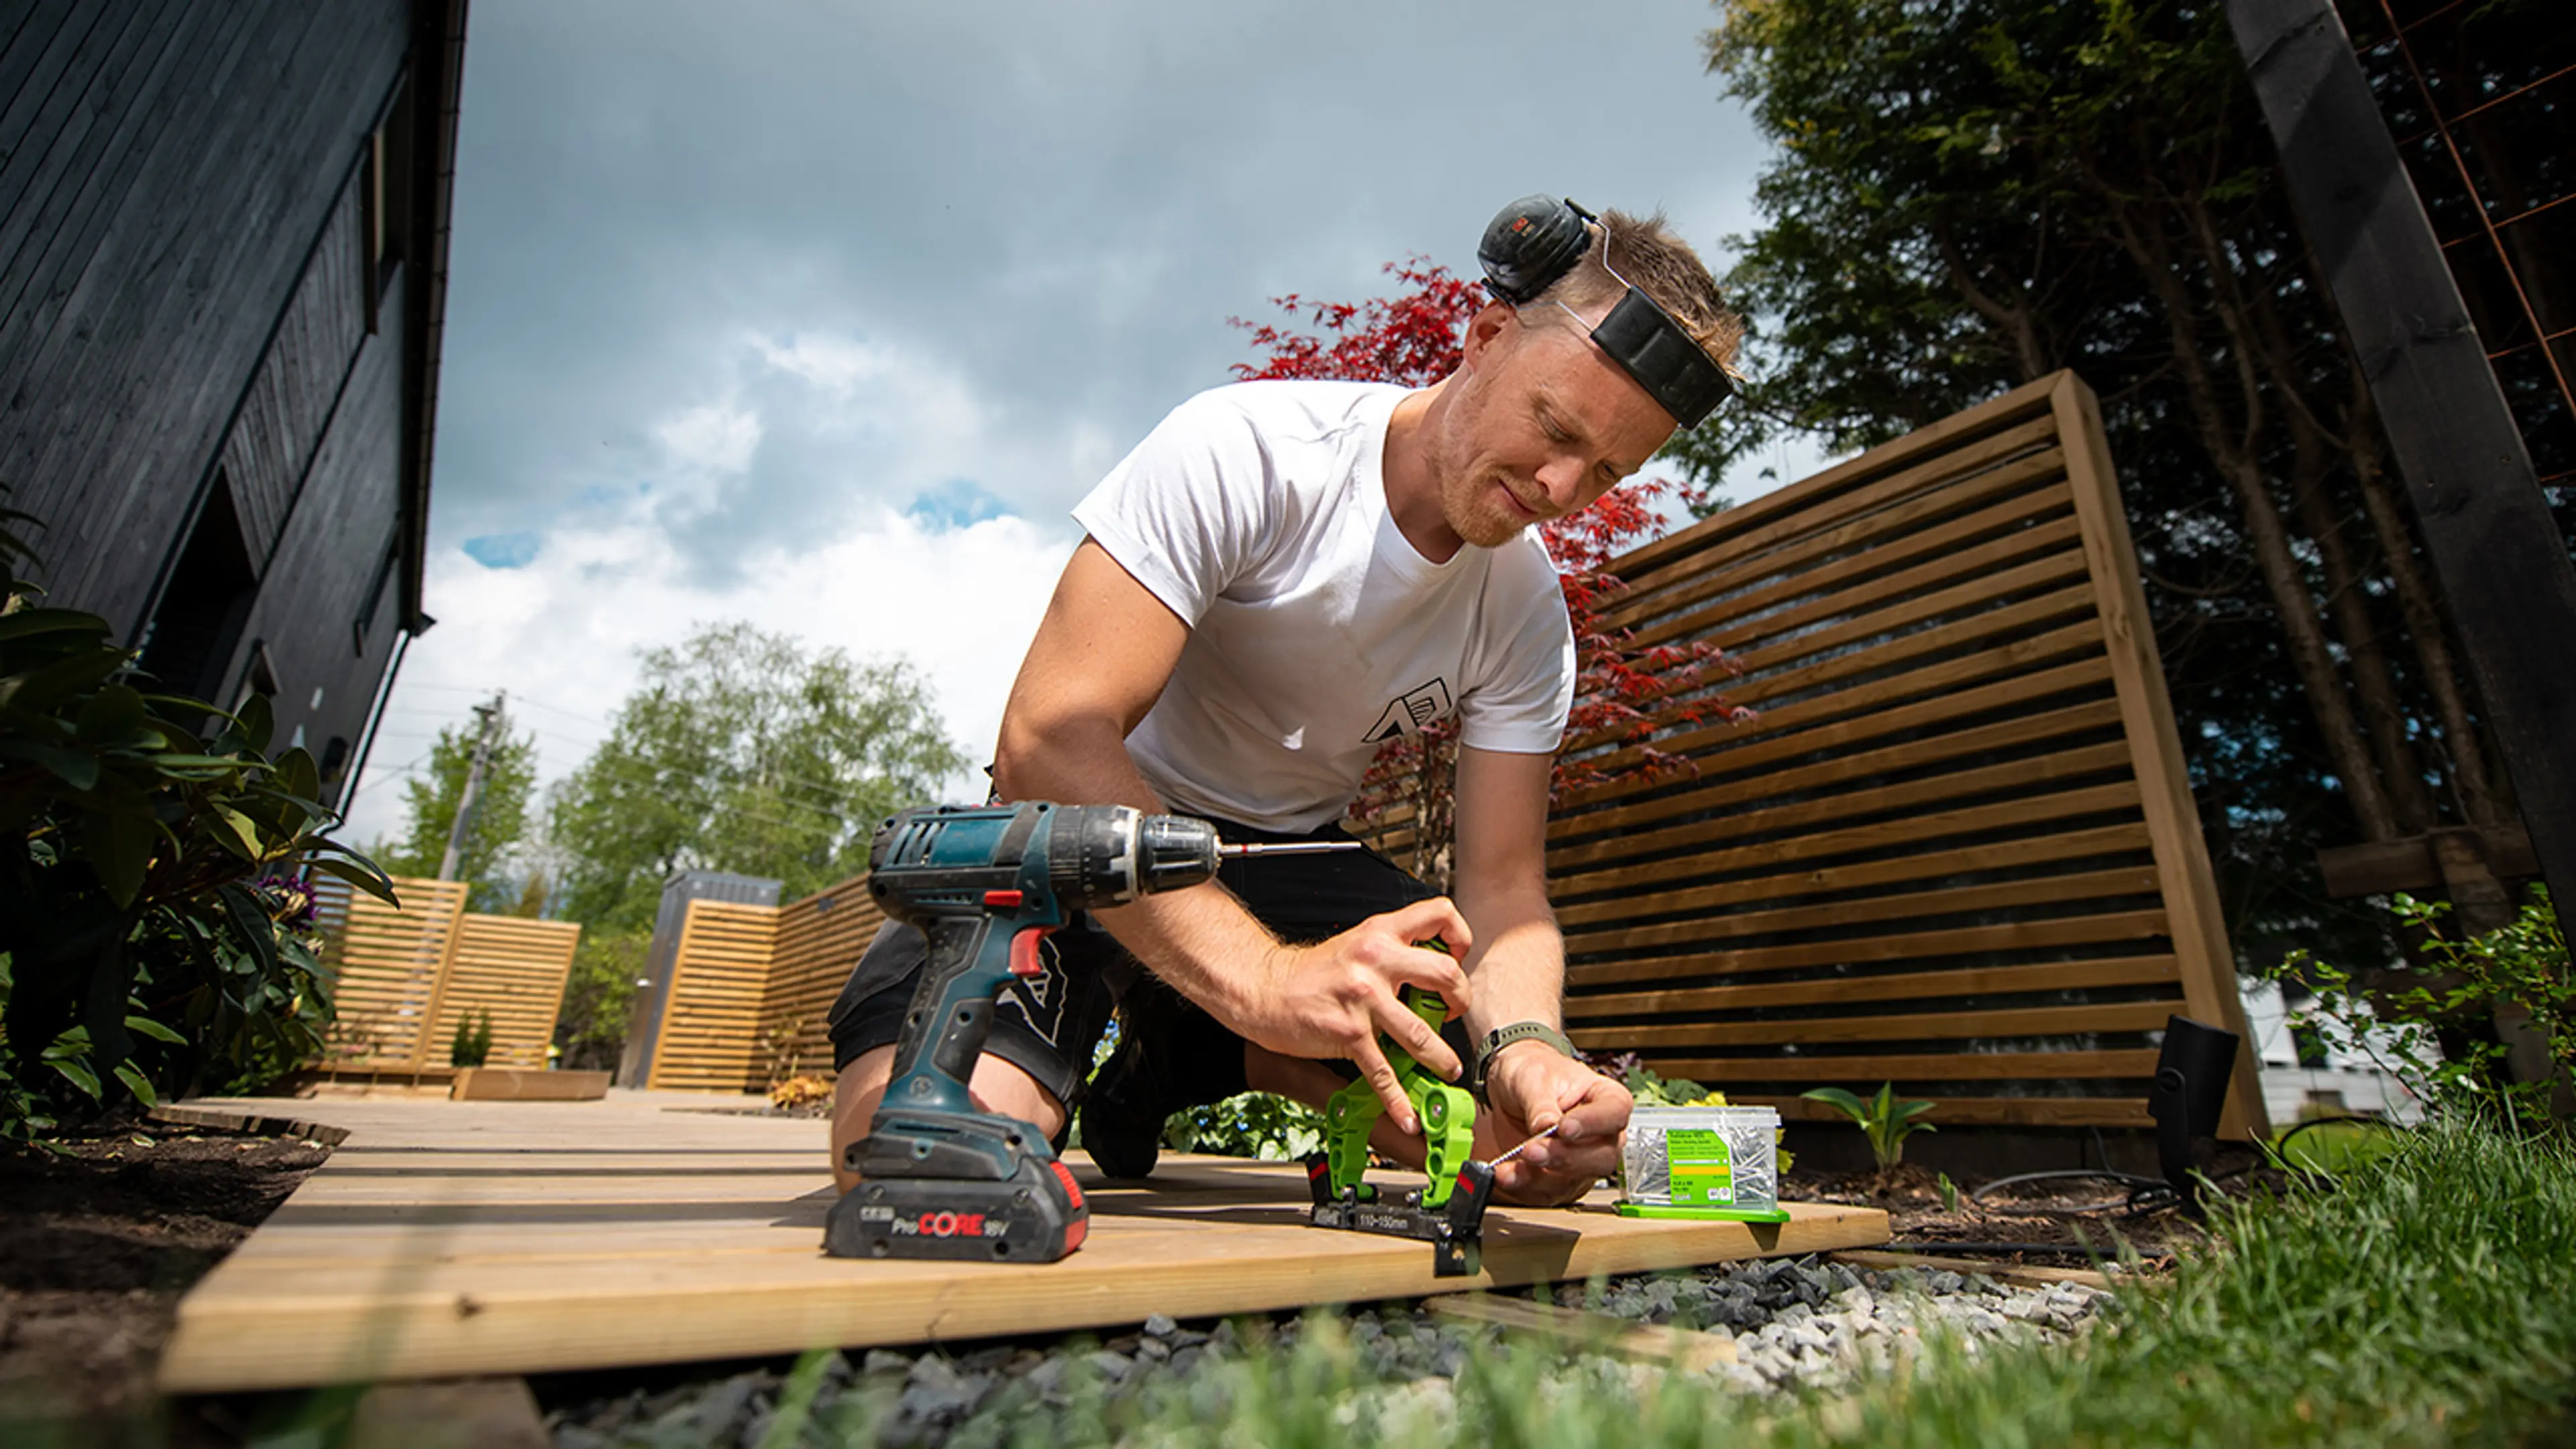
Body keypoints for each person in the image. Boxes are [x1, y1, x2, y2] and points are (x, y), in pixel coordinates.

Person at [826, 198, 1741, 1208]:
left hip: (1284, 856)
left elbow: (1505, 886)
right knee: (916, 1156)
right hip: (1083, 830)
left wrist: (1530, 1048)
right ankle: (1213, 1009)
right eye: (1555, 426)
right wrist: (1262, 983)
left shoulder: (1525, 618)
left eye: (1608, 470)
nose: (1566, 486)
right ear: (1484, 338)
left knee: (1516, 1154)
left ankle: (1182, 1055)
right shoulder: (1249, 452)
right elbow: (1049, 735)